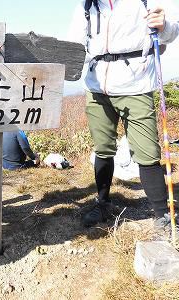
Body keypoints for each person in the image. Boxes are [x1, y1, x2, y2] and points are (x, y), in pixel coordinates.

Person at [67, 0, 179, 230]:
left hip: (136, 85)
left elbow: (171, 31)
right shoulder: (86, 6)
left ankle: (162, 215)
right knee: (103, 149)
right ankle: (102, 203)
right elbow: (72, 44)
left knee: (147, 153)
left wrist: (164, 25)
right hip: (96, 87)